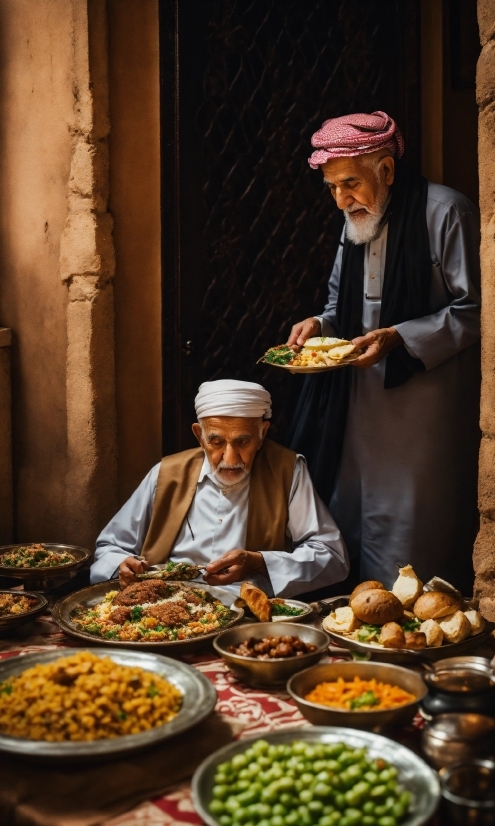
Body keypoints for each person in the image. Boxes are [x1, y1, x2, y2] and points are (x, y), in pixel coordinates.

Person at [288, 111, 480, 592]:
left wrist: (400, 337)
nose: (340, 199)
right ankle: (355, 622)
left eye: (349, 183)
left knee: (414, 530)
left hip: (423, 407)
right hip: (358, 403)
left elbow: (475, 309)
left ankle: (418, 638)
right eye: (332, 187)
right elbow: (339, 305)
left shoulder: (445, 212)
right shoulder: (356, 220)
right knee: (353, 510)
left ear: (387, 171)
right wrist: (319, 324)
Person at [91, 379, 349, 597]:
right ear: (199, 435)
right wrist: (121, 566)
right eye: (215, 441)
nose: (230, 458)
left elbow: (331, 557)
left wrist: (259, 563)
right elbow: (110, 549)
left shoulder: (287, 470)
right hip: (162, 606)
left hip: (246, 613)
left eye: (243, 441)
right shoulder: (167, 473)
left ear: (262, 433)